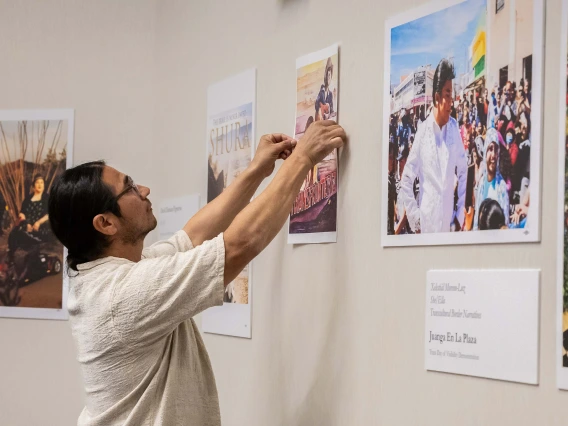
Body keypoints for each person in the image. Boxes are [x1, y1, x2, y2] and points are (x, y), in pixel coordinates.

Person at [47, 121, 346, 426]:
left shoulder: (113, 274)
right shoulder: (122, 294)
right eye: (131, 187)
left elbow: (194, 235)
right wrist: (303, 159)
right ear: (106, 224)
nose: (145, 190)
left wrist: (256, 170)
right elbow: (240, 244)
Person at [398, 58, 468, 233]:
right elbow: (406, 178)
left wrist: (459, 213)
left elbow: (463, 170)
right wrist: (415, 218)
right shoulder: (423, 133)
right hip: (427, 230)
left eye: (451, 95)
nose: (451, 102)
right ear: (437, 97)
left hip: (449, 229)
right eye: (447, 95)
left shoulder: (453, 129)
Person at [7, 174, 51, 269]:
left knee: (25, 235)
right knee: (14, 233)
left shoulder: (47, 198)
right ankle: (11, 258)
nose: (40, 185)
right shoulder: (27, 199)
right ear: (33, 185)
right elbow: (22, 213)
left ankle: (29, 261)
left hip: (41, 227)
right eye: (37, 182)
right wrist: (27, 223)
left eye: (42, 182)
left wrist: (38, 222)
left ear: (44, 185)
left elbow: (49, 214)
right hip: (27, 226)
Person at [474, 128, 510, 230]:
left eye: (496, 149)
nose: (493, 155)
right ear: (485, 152)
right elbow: (477, 218)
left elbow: (505, 224)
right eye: (490, 149)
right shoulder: (481, 184)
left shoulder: (501, 187)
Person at [315, 57, 335, 121]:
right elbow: (316, 104)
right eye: (328, 75)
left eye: (330, 75)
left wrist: (331, 113)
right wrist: (321, 108)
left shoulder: (330, 94)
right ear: (325, 76)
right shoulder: (321, 92)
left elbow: (331, 110)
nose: (329, 78)